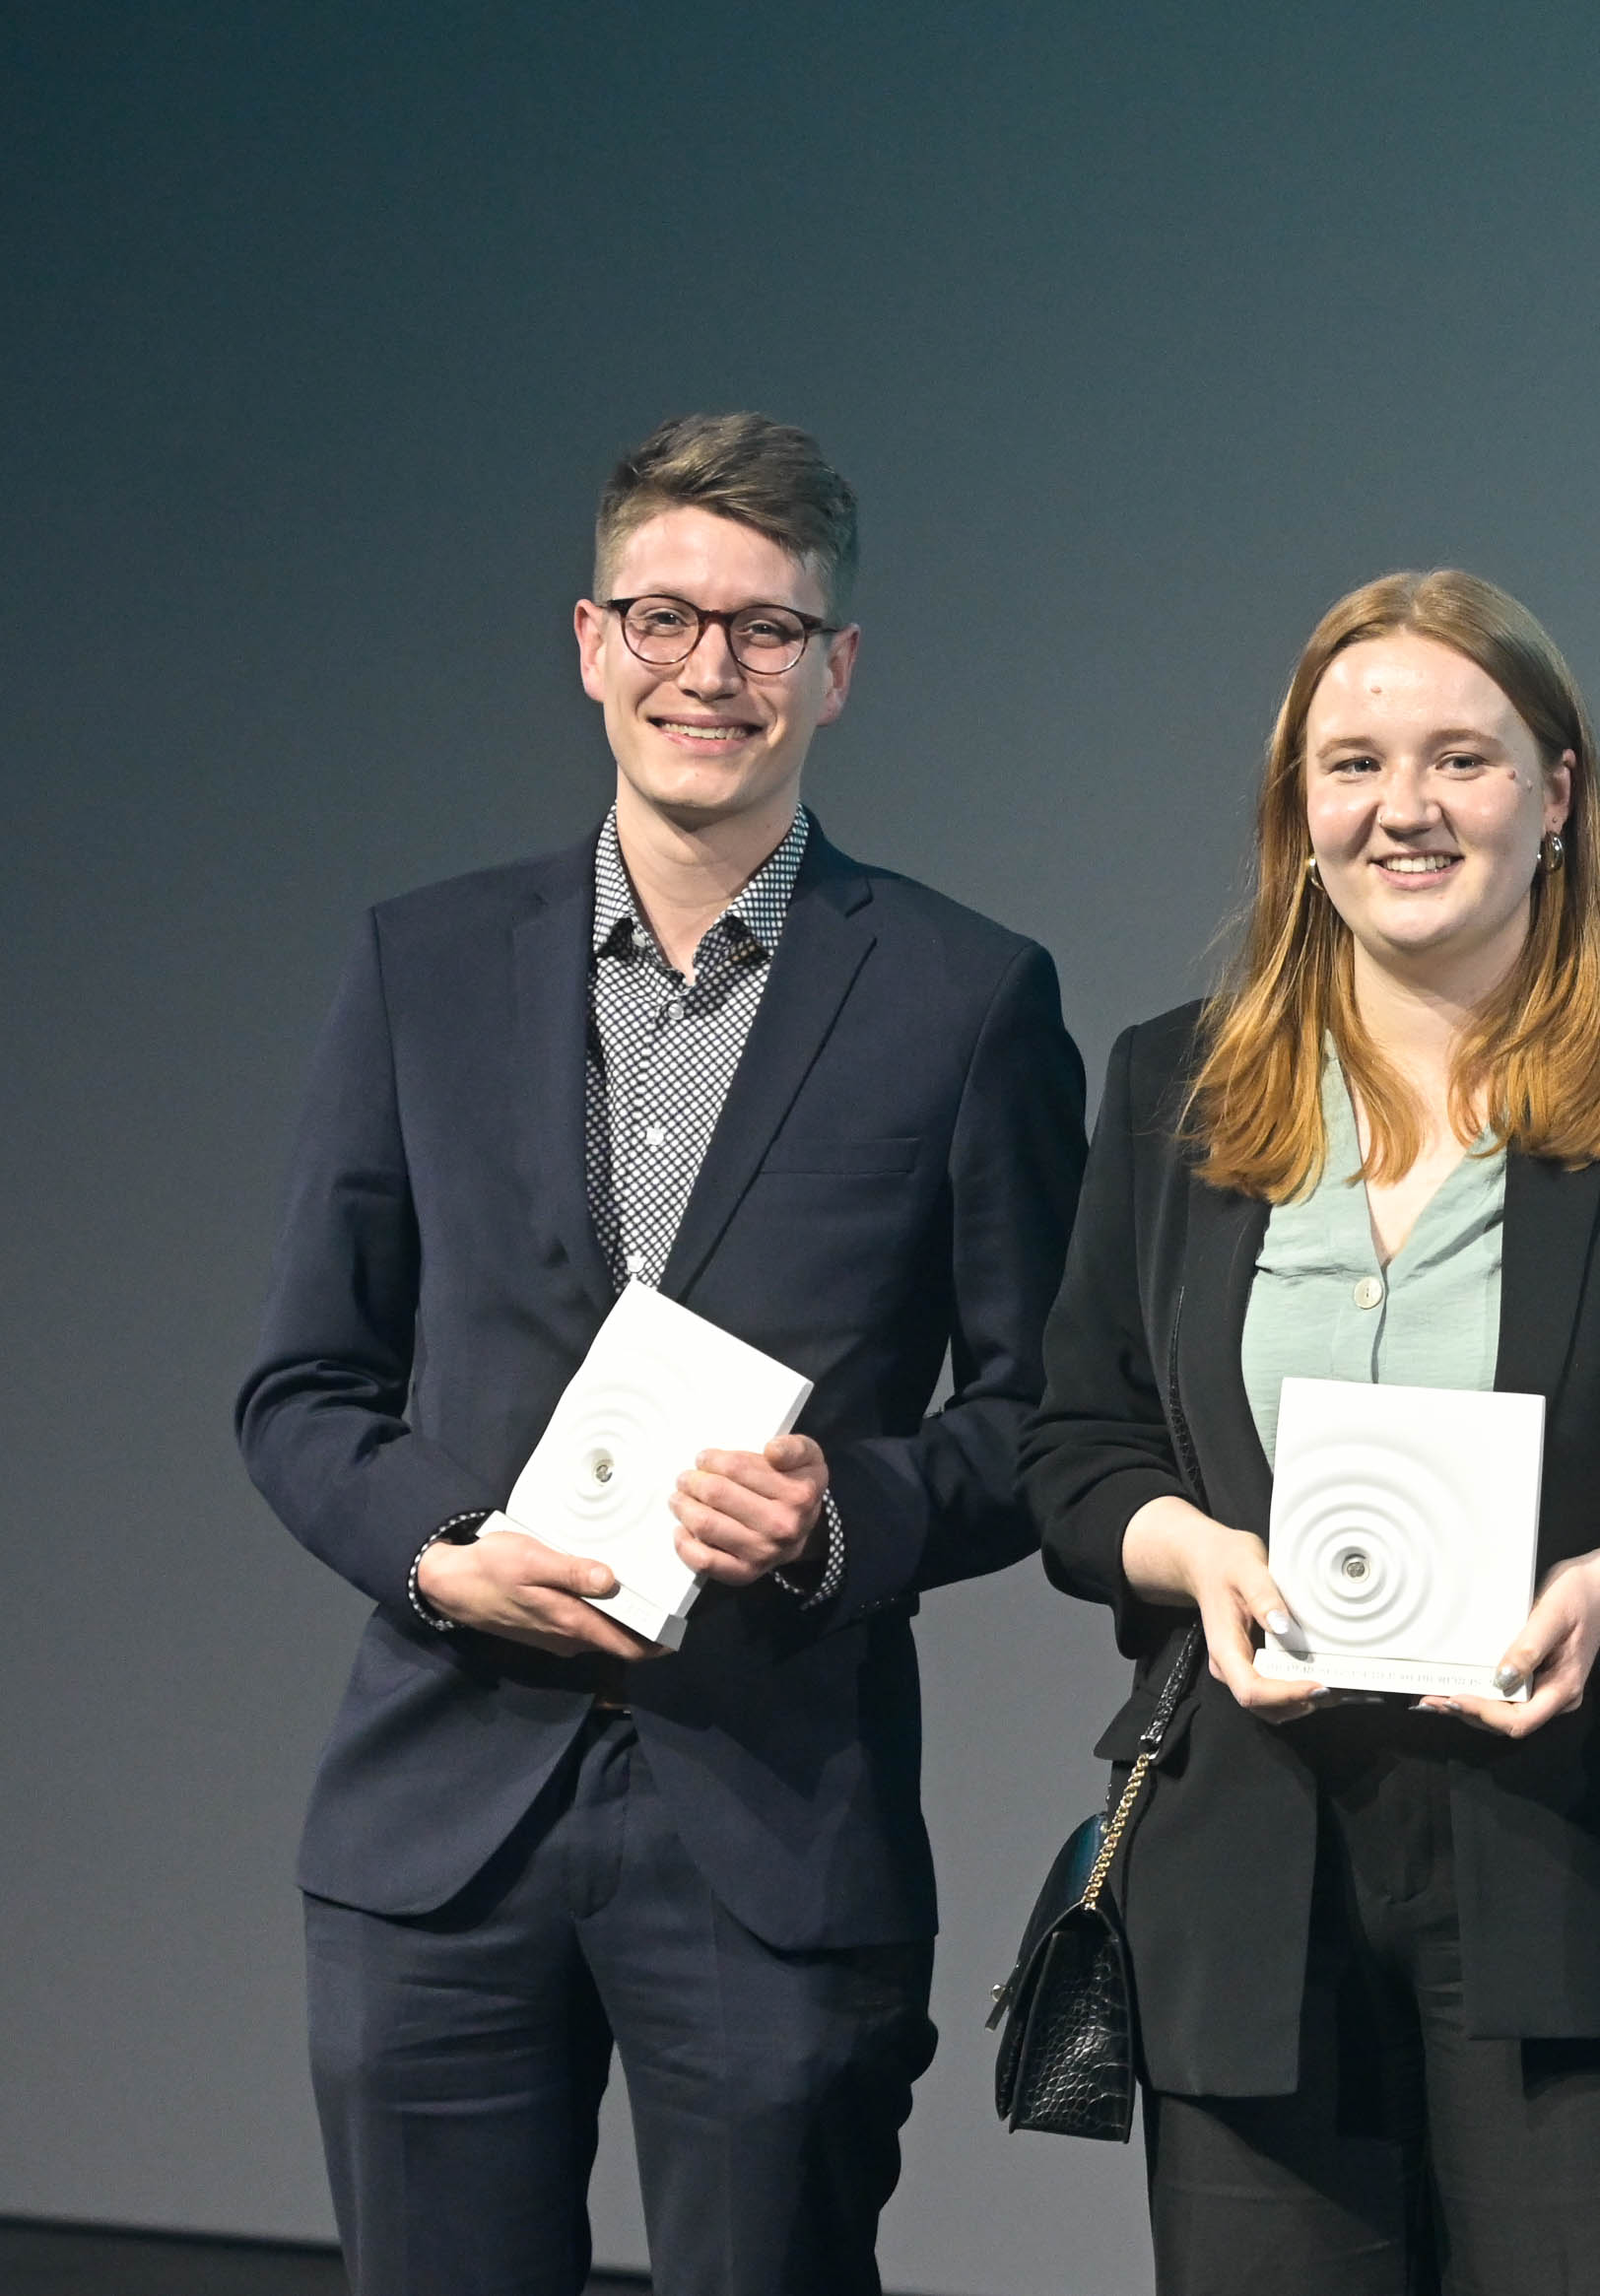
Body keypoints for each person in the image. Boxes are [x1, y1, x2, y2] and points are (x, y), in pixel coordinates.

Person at [236, 413, 1087, 2294]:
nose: (711, 668)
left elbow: (1045, 1416)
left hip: (775, 1816)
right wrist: (440, 1549)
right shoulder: (422, 965)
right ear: (590, 640)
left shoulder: (966, 997)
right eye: (666, 617)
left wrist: (839, 1516)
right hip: (439, 1819)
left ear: (836, 668)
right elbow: (302, 1387)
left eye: (766, 629)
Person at [1022, 569, 1600, 2295]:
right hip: (1253, 1887)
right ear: (1298, 814)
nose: (1406, 806)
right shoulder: (1175, 1086)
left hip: (1599, 1880)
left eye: (1462, 758)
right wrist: (1200, 1557)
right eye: (1355, 764)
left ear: (1559, 794)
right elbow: (1078, 1443)